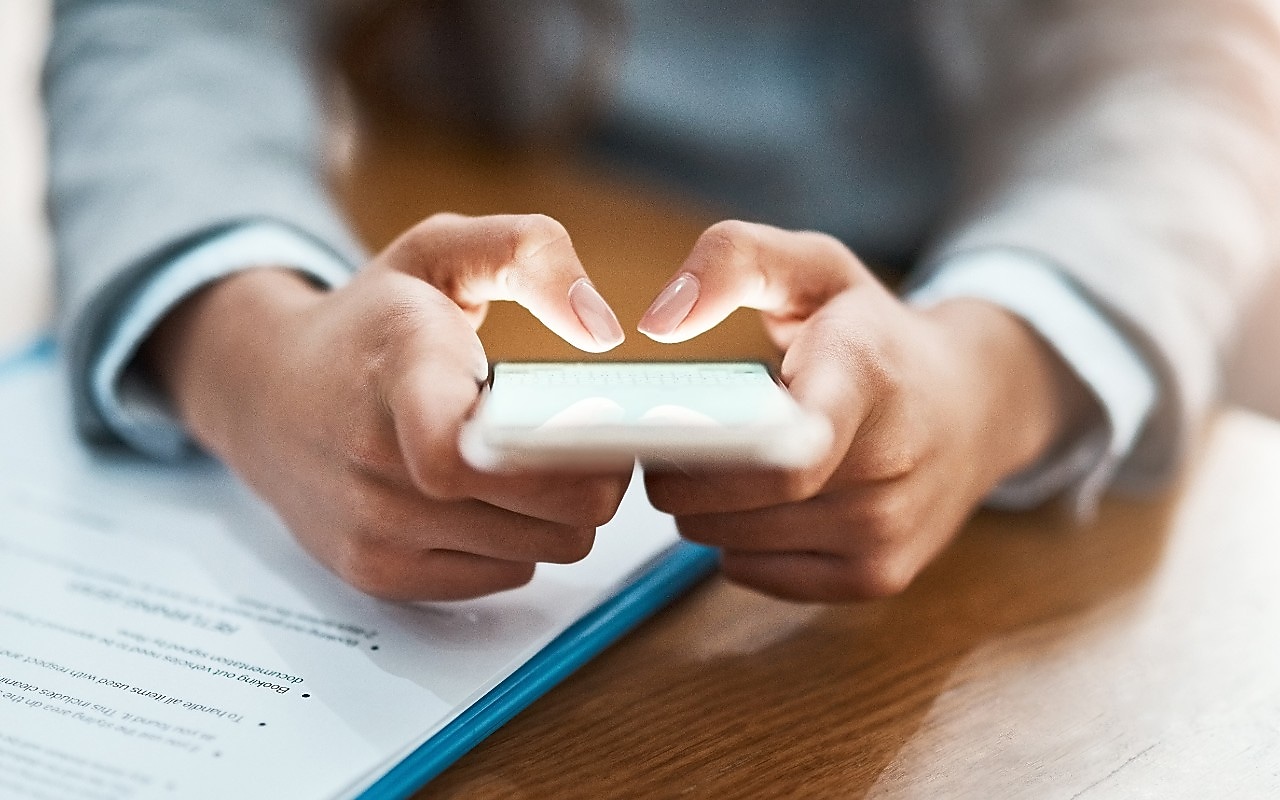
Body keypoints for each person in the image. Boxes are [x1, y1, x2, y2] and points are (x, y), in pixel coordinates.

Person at [44, 0, 1280, 602]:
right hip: (465, 203)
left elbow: (1184, 86)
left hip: (951, 277)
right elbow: (163, 24)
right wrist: (249, 350)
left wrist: (987, 370)